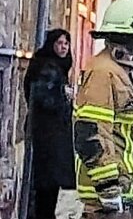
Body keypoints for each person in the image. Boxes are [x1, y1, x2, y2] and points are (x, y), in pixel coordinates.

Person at [74, 0, 133, 219]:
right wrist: (108, 186)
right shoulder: (104, 72)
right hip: (108, 200)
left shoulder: (122, 70)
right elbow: (92, 132)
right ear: (132, 30)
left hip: (124, 194)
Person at [24, 29, 75, 219]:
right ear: (52, 44)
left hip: (51, 132)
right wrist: (64, 93)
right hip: (46, 133)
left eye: (66, 43)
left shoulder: (56, 66)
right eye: (60, 43)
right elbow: (43, 98)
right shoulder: (47, 67)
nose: (63, 47)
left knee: (49, 183)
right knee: (46, 182)